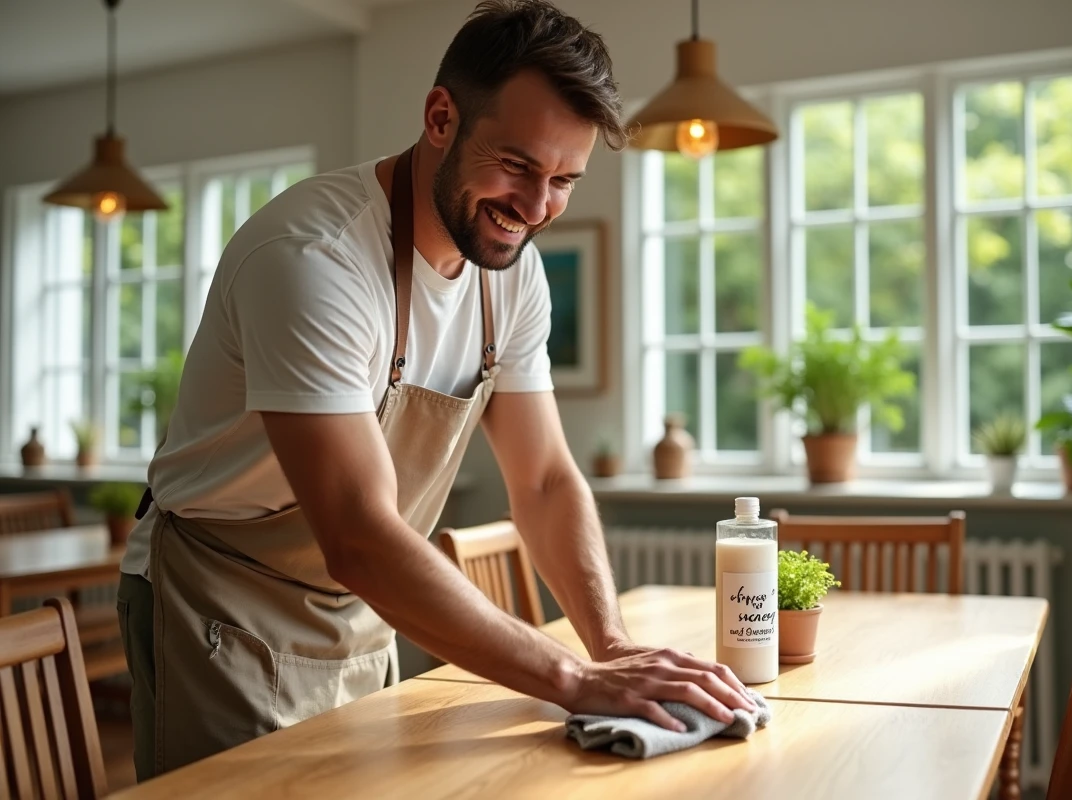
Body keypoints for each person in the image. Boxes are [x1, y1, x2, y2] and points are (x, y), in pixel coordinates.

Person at [116, 0, 756, 781]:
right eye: (519, 166)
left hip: (361, 612)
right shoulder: (314, 261)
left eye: (564, 180)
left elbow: (547, 480)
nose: (535, 208)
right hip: (221, 608)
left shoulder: (511, 276)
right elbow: (357, 534)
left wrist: (611, 644)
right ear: (441, 116)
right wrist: (572, 680)